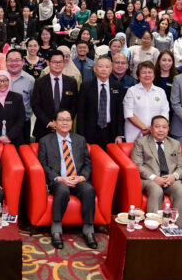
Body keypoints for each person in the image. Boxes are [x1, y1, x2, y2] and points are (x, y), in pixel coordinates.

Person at [37, 109, 97, 250]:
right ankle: (56, 229)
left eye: (68, 120)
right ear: (55, 123)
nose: (65, 122)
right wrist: (59, 178)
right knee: (62, 190)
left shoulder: (80, 140)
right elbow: (43, 165)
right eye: (61, 119)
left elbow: (88, 163)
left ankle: (88, 230)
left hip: (77, 179)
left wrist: (82, 177)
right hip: (59, 181)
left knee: (89, 190)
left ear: (71, 122)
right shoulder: (45, 141)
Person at [131, 115, 182, 227]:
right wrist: (154, 178)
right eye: (157, 127)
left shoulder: (175, 144)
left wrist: (174, 176)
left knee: (181, 190)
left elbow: (181, 167)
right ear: (151, 128)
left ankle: (180, 228)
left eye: (164, 127)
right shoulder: (140, 142)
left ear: (168, 129)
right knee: (156, 190)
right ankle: (153, 226)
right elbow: (137, 165)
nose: (161, 130)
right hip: (149, 180)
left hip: (169, 180)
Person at [77, 56, 124, 148]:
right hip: (90, 132)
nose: (103, 69)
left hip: (110, 131)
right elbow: (81, 112)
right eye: (100, 66)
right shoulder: (86, 86)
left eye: (107, 67)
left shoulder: (117, 86)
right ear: (94, 69)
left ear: (111, 69)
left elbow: (119, 112)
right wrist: (81, 136)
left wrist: (120, 134)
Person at [31, 50, 79, 141]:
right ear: (48, 63)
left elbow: (74, 105)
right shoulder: (39, 82)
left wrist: (63, 122)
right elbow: (35, 105)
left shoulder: (71, 82)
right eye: (54, 62)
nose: (58, 65)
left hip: (64, 129)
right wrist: (49, 123)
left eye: (60, 62)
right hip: (43, 129)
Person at [123, 61, 170, 143]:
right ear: (138, 75)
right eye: (143, 72)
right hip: (134, 133)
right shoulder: (131, 91)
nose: (147, 75)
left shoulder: (160, 92)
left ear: (154, 75)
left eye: (150, 72)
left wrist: (153, 129)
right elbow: (129, 113)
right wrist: (145, 128)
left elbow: (164, 113)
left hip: (156, 133)